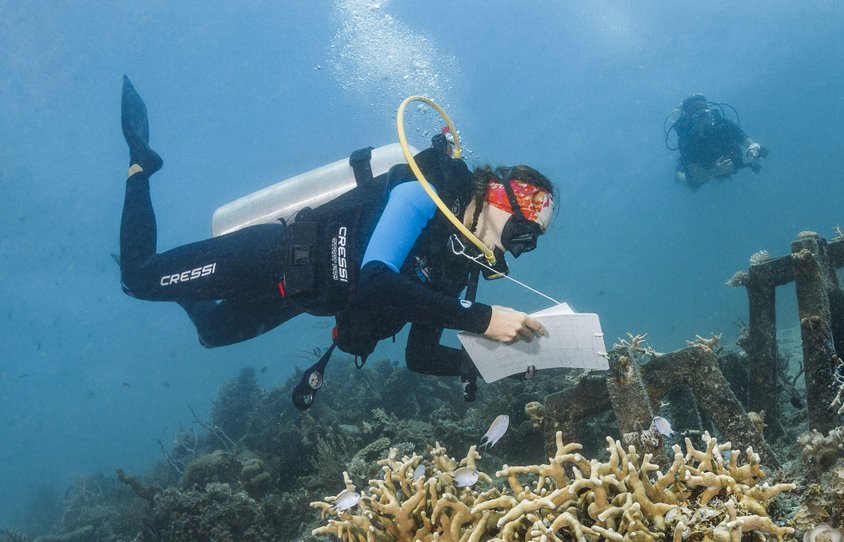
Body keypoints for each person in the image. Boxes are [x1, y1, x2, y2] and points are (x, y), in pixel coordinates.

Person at [118, 76, 553, 404]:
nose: (524, 243)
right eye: (527, 225)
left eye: (533, 238)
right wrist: (481, 319)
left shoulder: (456, 259)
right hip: (269, 257)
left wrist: (501, 364)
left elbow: (420, 356)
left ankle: (186, 289)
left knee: (211, 334)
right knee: (137, 279)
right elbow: (376, 280)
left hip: (296, 296)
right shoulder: (428, 189)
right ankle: (141, 164)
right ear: (501, 197)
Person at [667, 93, 767, 189]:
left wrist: (753, 151)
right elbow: (697, 178)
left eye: (706, 115)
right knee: (692, 184)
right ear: (691, 121)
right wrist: (715, 172)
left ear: (711, 113)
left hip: (727, 163)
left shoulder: (725, 125)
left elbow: (750, 143)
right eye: (698, 118)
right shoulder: (687, 140)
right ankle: (679, 175)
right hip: (703, 167)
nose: (705, 121)